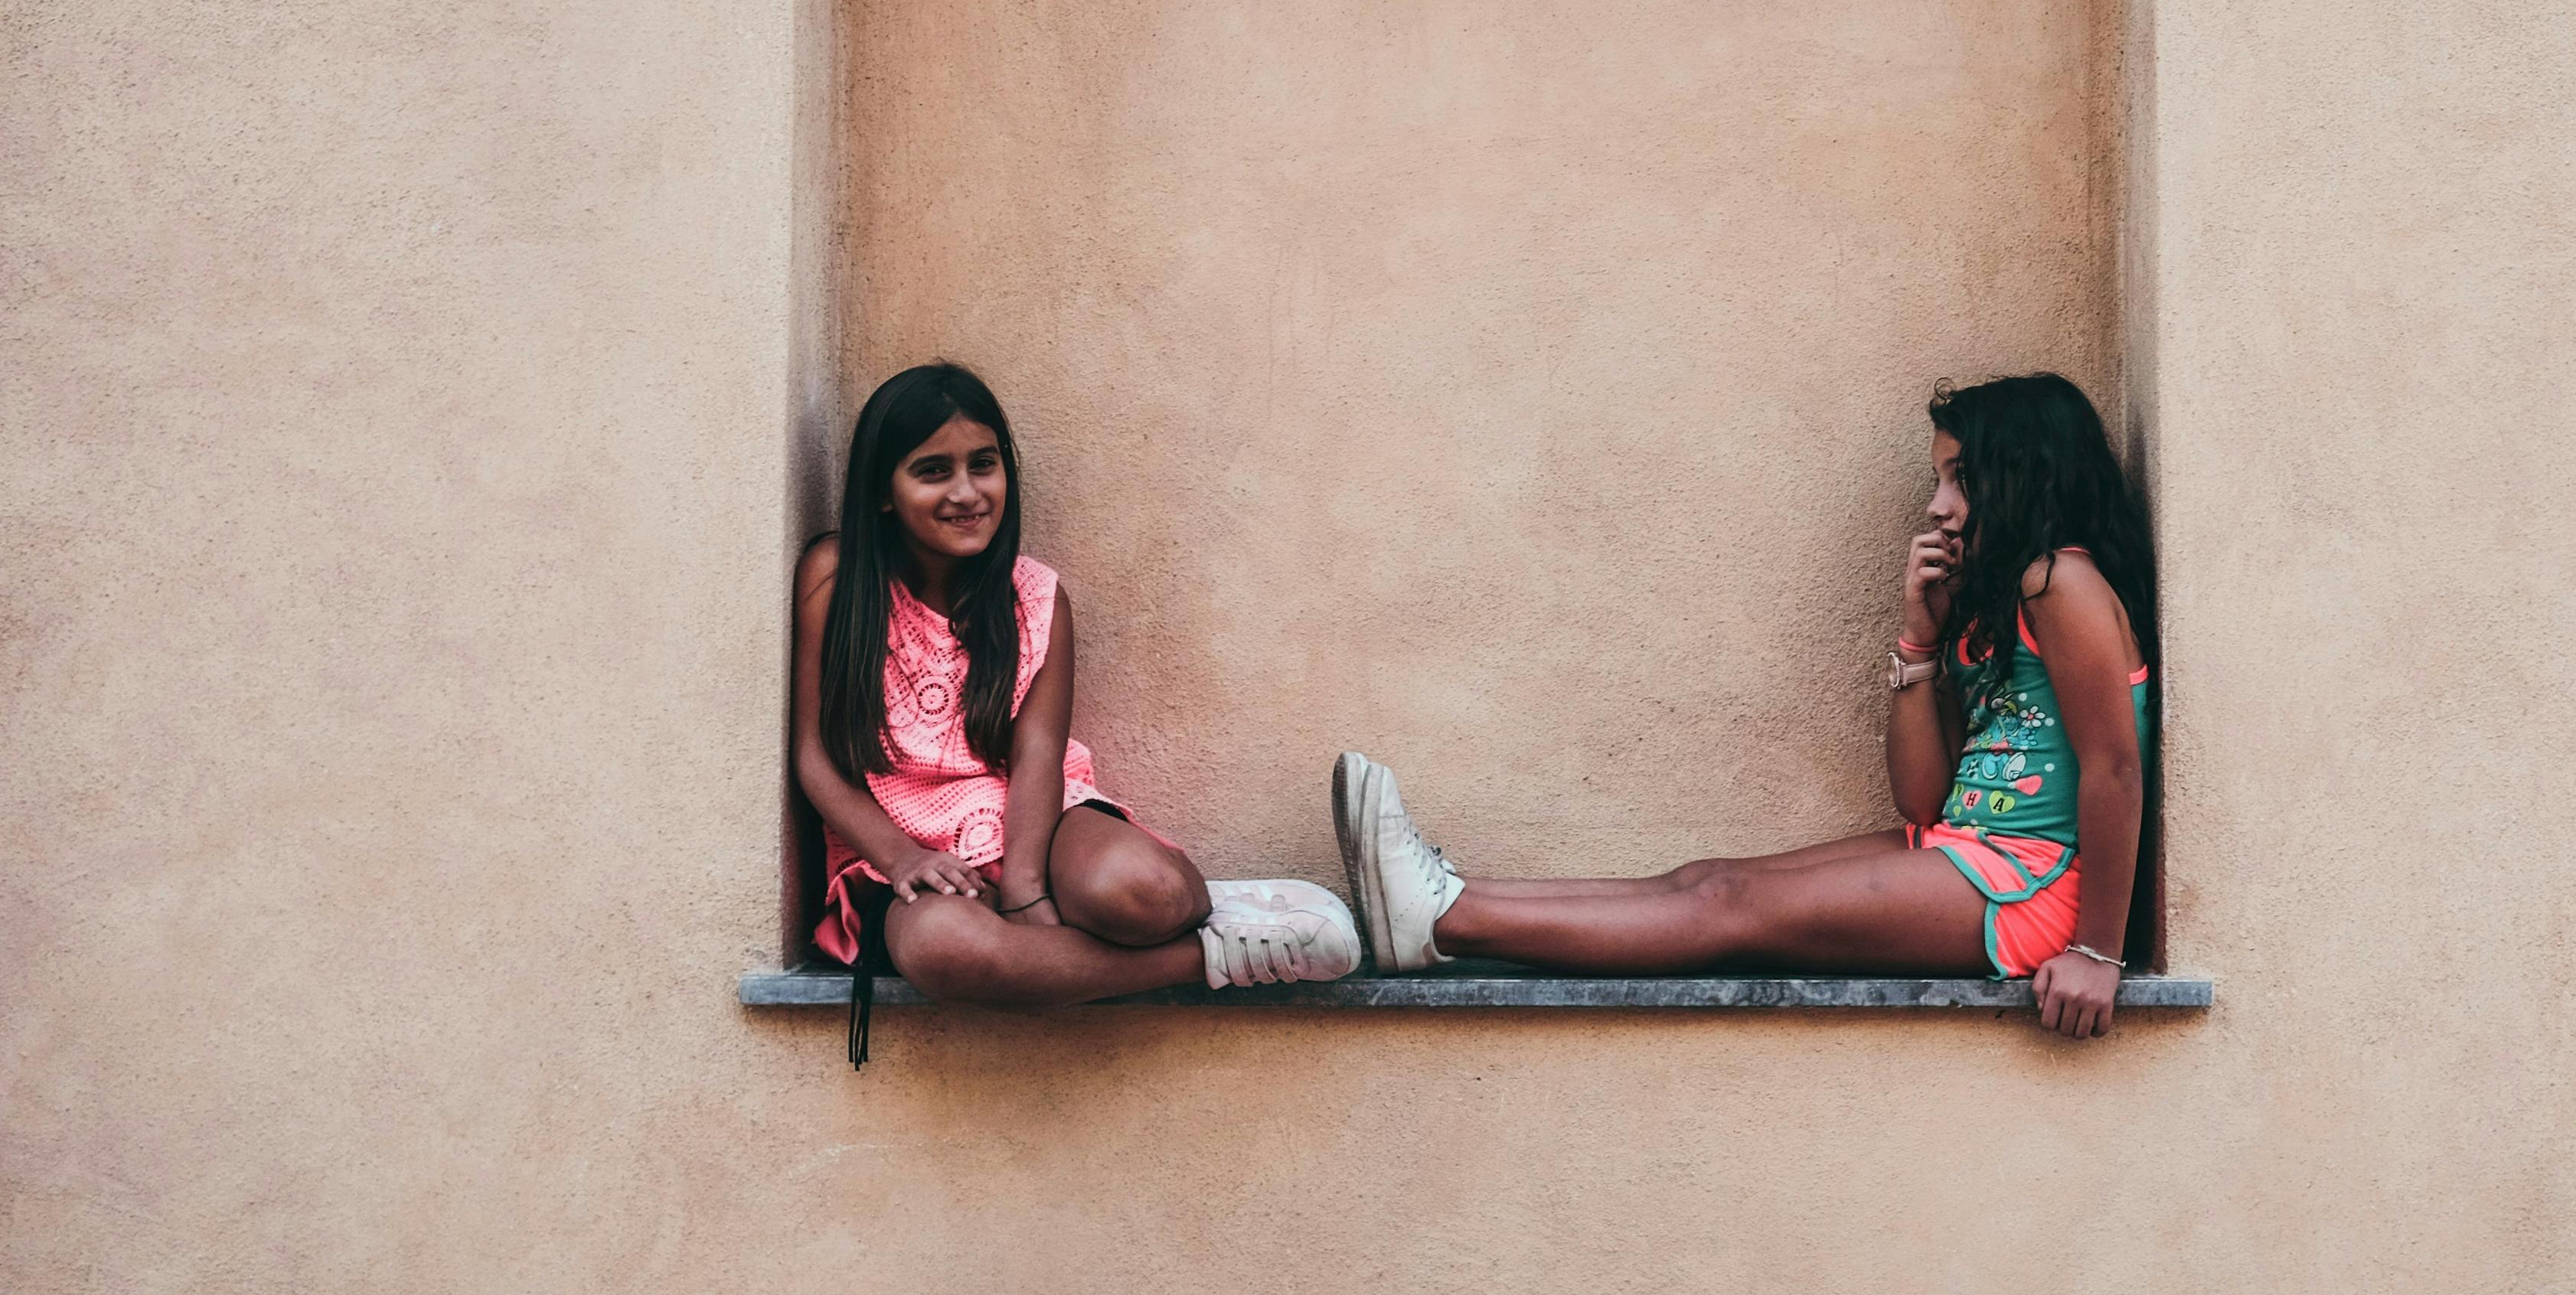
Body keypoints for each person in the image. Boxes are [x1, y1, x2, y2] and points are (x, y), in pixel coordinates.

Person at [1332, 372, 2156, 1039]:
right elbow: (1923, 803)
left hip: (2035, 886)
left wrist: (2096, 951)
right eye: (1938, 478)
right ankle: (1447, 901)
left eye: (1961, 479)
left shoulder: (2064, 583)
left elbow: (2114, 771)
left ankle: (1448, 921)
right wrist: (1918, 639)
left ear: (2027, 476)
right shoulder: (2000, 607)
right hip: (1971, 851)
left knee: (1729, 911)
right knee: (1708, 880)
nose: (1938, 505)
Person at [796, 363, 1358, 1063]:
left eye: (984, 465)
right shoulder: (837, 577)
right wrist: (901, 855)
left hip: (1035, 820)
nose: (967, 492)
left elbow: (1037, 754)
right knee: (948, 951)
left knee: (1145, 894)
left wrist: (1027, 892)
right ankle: (1215, 955)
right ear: (884, 492)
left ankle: (1203, 913)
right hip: (901, 852)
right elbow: (813, 756)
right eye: (933, 471)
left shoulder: (1033, 596)